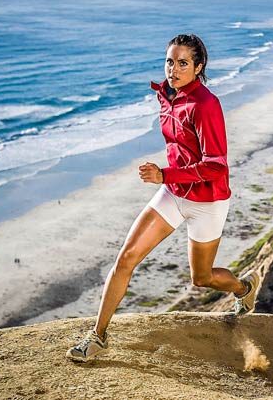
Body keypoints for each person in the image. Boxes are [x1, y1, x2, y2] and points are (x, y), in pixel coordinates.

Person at [66, 33, 261, 362]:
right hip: (173, 193)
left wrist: (164, 174)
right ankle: (97, 336)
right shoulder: (167, 96)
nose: (173, 69)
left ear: (198, 68)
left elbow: (215, 166)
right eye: (170, 61)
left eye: (183, 63)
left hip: (207, 201)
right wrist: (167, 178)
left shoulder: (206, 105)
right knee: (126, 258)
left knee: (202, 278)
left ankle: (243, 288)